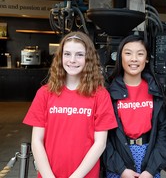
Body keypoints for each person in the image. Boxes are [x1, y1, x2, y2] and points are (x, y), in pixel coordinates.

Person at [23, 31, 118, 178]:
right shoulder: (45, 93)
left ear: (89, 58)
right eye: (67, 54)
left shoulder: (100, 95)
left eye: (79, 55)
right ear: (60, 57)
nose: (72, 60)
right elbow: (36, 141)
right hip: (49, 173)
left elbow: (100, 143)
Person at [102, 34, 166, 178]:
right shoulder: (108, 93)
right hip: (118, 163)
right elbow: (104, 138)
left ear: (146, 58)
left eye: (140, 54)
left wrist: (151, 170)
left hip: (149, 161)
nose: (134, 59)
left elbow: (163, 133)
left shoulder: (156, 91)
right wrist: (121, 170)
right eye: (128, 53)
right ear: (120, 57)